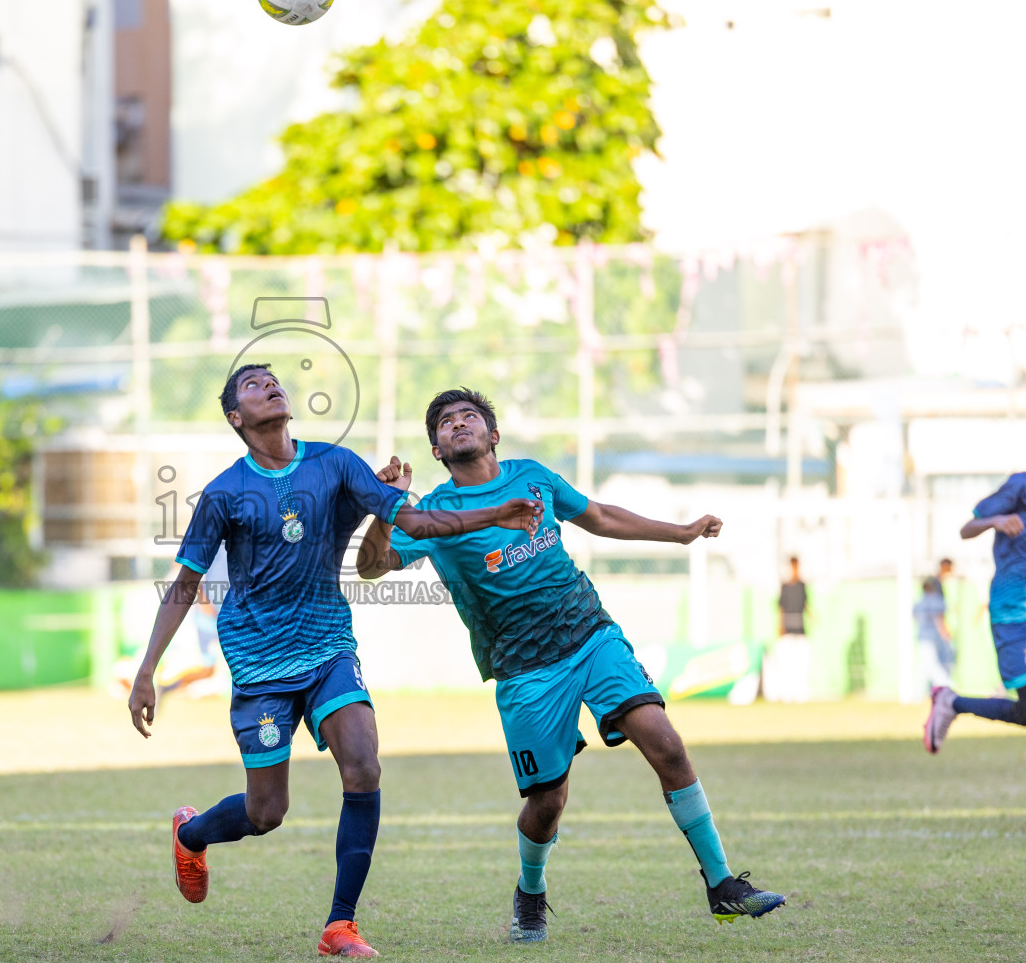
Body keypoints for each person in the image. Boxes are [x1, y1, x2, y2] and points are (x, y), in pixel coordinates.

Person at [126, 364, 542, 958]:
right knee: (267, 811)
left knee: (364, 765)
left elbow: (413, 520)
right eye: (252, 384)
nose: (269, 384)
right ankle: (191, 834)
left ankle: (339, 926)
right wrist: (148, 672)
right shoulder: (223, 493)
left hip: (328, 647)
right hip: (259, 664)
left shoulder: (336, 464)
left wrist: (492, 513)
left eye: (273, 378)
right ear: (235, 418)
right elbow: (185, 583)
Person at [355, 388, 784, 943]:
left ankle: (722, 884)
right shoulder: (435, 512)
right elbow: (372, 568)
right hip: (523, 668)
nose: (458, 424)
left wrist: (678, 532)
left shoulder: (533, 475)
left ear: (493, 434)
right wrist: (386, 509)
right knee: (547, 803)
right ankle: (530, 892)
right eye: (444, 422)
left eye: (469, 417)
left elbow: (600, 517)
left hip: (588, 632)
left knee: (667, 744)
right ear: (436, 448)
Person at [924, 409, 1026, 834]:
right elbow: (967, 527)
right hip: (1013, 611)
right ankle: (951, 702)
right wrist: (995, 520)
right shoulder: (1023, 484)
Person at [764, 557, 811, 703]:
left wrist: (812, 616)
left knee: (801, 664)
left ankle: (800, 694)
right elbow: (781, 608)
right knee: (786, 664)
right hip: (787, 631)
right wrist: (780, 627)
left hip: (800, 630)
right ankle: (786, 694)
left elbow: (805, 604)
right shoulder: (784, 587)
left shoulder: (802, 586)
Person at [914, 577, 954, 690]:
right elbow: (939, 620)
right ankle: (946, 686)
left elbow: (915, 617)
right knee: (929, 666)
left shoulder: (919, 603)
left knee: (929, 664)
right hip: (935, 637)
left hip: (923, 637)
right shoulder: (937, 601)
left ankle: (946, 686)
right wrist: (946, 634)